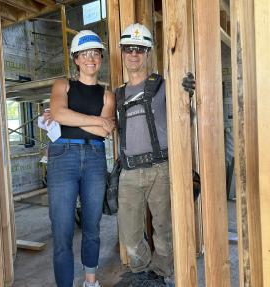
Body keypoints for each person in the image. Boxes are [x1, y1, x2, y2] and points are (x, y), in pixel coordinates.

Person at [115, 23, 195, 287]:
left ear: (148, 52)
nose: (134, 54)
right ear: (122, 53)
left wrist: (188, 94)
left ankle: (163, 274)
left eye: (140, 49)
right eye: (129, 49)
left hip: (160, 168)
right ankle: (141, 271)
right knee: (129, 233)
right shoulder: (116, 94)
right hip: (128, 172)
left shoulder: (164, 85)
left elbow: (187, 118)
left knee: (163, 230)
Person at [46, 30, 115, 287]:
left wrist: (70, 117)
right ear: (75, 59)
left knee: (92, 225)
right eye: (84, 54)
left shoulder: (107, 95)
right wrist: (97, 120)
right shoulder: (62, 85)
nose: (90, 58)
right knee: (62, 229)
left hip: (95, 158)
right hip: (63, 156)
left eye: (95, 53)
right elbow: (59, 113)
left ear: (100, 59)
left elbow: (105, 132)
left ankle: (90, 281)